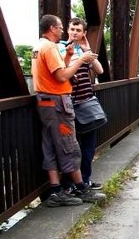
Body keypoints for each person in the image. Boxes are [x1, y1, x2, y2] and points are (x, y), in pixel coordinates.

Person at [32, 14, 105, 207]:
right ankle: (80, 187)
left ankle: (56, 191)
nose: (64, 30)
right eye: (61, 27)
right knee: (69, 146)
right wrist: (81, 60)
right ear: (52, 29)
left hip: (45, 102)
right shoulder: (49, 47)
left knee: (50, 146)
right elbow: (62, 76)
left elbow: (57, 70)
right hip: (57, 103)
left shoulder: (39, 46)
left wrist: (70, 56)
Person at [63, 17, 104, 191]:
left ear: (84, 33)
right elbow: (62, 73)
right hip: (69, 105)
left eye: (78, 30)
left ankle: (84, 180)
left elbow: (100, 70)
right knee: (71, 148)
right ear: (67, 30)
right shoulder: (60, 48)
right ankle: (70, 184)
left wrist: (88, 51)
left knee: (88, 148)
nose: (74, 33)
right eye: (72, 29)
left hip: (86, 103)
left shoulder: (83, 50)